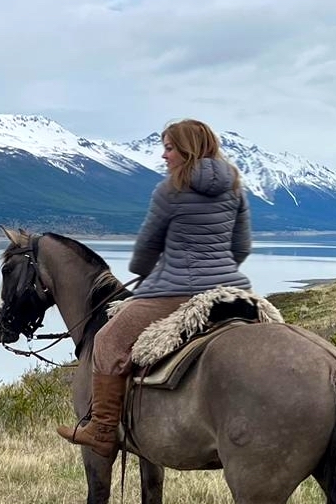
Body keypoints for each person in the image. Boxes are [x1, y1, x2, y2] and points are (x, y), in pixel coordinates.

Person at [59, 118, 252, 458]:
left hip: (176, 290)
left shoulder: (171, 190)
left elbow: (147, 248)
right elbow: (241, 248)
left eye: (169, 148)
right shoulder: (235, 187)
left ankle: (102, 429)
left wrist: (148, 272)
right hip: (229, 289)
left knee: (107, 340)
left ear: (187, 150)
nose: (164, 156)